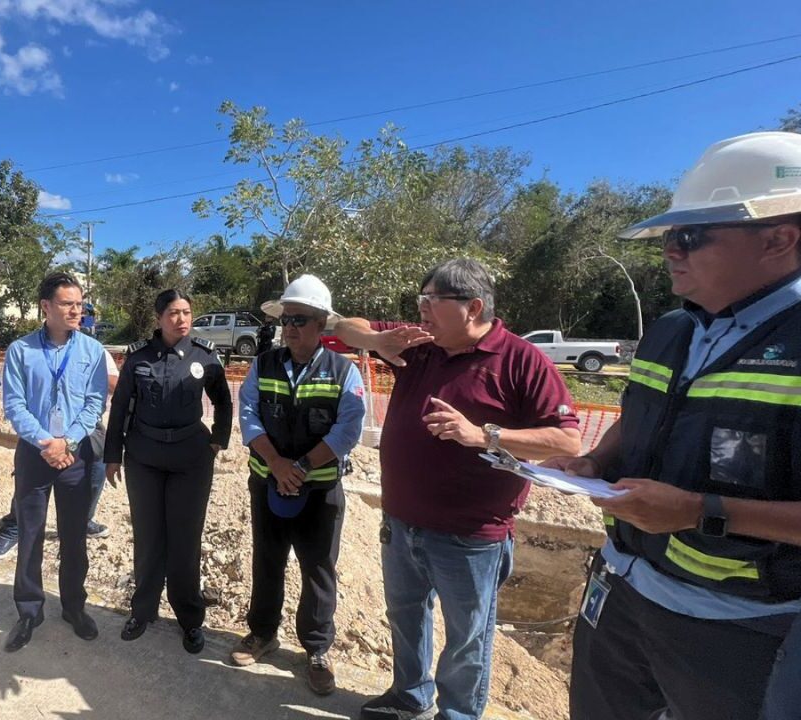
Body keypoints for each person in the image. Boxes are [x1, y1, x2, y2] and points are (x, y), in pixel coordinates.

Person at [542, 132, 801, 720]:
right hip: (621, 585)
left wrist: (697, 511)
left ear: (779, 238)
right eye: (668, 238)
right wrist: (595, 464)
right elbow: (637, 419)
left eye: (690, 236)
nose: (670, 252)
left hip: (741, 626)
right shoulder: (669, 331)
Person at [335, 258, 581, 720]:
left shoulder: (522, 362)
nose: (421, 309)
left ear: (472, 307)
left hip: (470, 536)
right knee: (406, 617)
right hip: (402, 521)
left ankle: (459, 714)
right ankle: (410, 696)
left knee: (468, 637)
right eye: (419, 300)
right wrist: (374, 340)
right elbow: (343, 326)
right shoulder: (418, 344)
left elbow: (566, 439)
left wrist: (483, 435)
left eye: (432, 300)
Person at [230, 274, 365, 696]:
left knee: (318, 569)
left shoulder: (345, 372)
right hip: (267, 483)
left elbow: (348, 430)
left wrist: (301, 466)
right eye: (286, 318)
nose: (290, 327)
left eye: (300, 319)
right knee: (267, 560)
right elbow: (248, 413)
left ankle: (317, 650)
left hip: (319, 491)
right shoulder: (263, 364)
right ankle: (263, 633)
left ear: (322, 323)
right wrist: (276, 463)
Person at [104, 289, 233, 653]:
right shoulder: (139, 357)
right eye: (174, 313)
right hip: (144, 457)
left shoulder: (205, 356)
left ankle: (190, 620)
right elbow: (119, 407)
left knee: (185, 542)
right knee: (148, 539)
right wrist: (113, 454)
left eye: (187, 312)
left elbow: (223, 400)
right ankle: (142, 611)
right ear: (159, 317)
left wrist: (217, 441)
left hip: (190, 460)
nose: (182, 319)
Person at [1, 272, 109, 652]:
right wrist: (47, 442)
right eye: (67, 303)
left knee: (74, 536)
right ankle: (29, 610)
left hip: (76, 454)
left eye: (79, 303)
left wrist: (68, 441)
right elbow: (14, 405)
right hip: (35, 453)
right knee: (29, 534)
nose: (76, 310)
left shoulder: (93, 352)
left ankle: (74, 607)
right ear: (46, 307)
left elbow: (96, 403)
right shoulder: (20, 350)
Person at [0, 348, 118, 559]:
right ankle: (14, 527)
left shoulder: (94, 350)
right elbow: (17, 400)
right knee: (29, 480)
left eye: (82, 314)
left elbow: (110, 385)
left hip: (84, 427)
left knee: (96, 471)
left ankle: (83, 521)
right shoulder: (30, 349)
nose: (76, 314)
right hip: (43, 428)